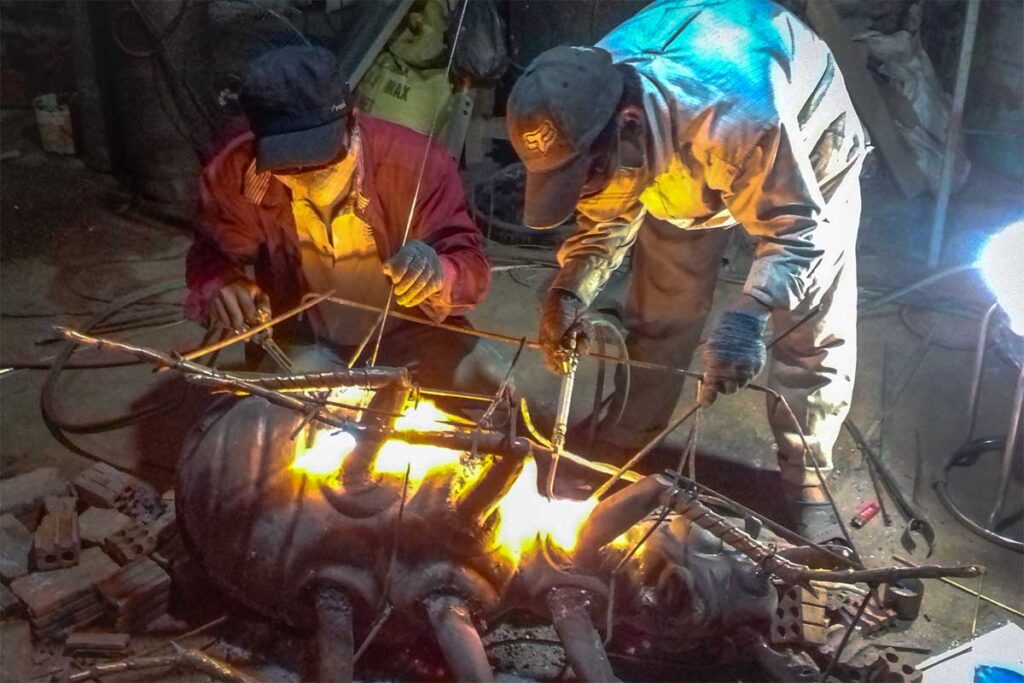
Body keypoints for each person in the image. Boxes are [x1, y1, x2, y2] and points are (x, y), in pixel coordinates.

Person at [507, 0, 866, 543]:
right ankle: (631, 434)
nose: (588, 189)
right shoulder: (585, 94)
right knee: (664, 295)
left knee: (810, 319)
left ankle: (807, 472)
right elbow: (605, 214)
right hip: (684, 137)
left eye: (591, 174)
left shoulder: (743, 116)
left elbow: (795, 235)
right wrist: (569, 289)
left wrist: (749, 313)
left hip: (808, 136)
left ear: (630, 124)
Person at [185, 46, 501, 395]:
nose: (308, 177)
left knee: (493, 381)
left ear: (352, 120)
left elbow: (471, 265)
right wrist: (222, 284)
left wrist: (440, 272)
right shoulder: (238, 172)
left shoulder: (416, 165)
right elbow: (209, 255)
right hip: (309, 344)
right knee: (287, 415)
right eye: (289, 165)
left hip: (411, 334)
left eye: (322, 159)